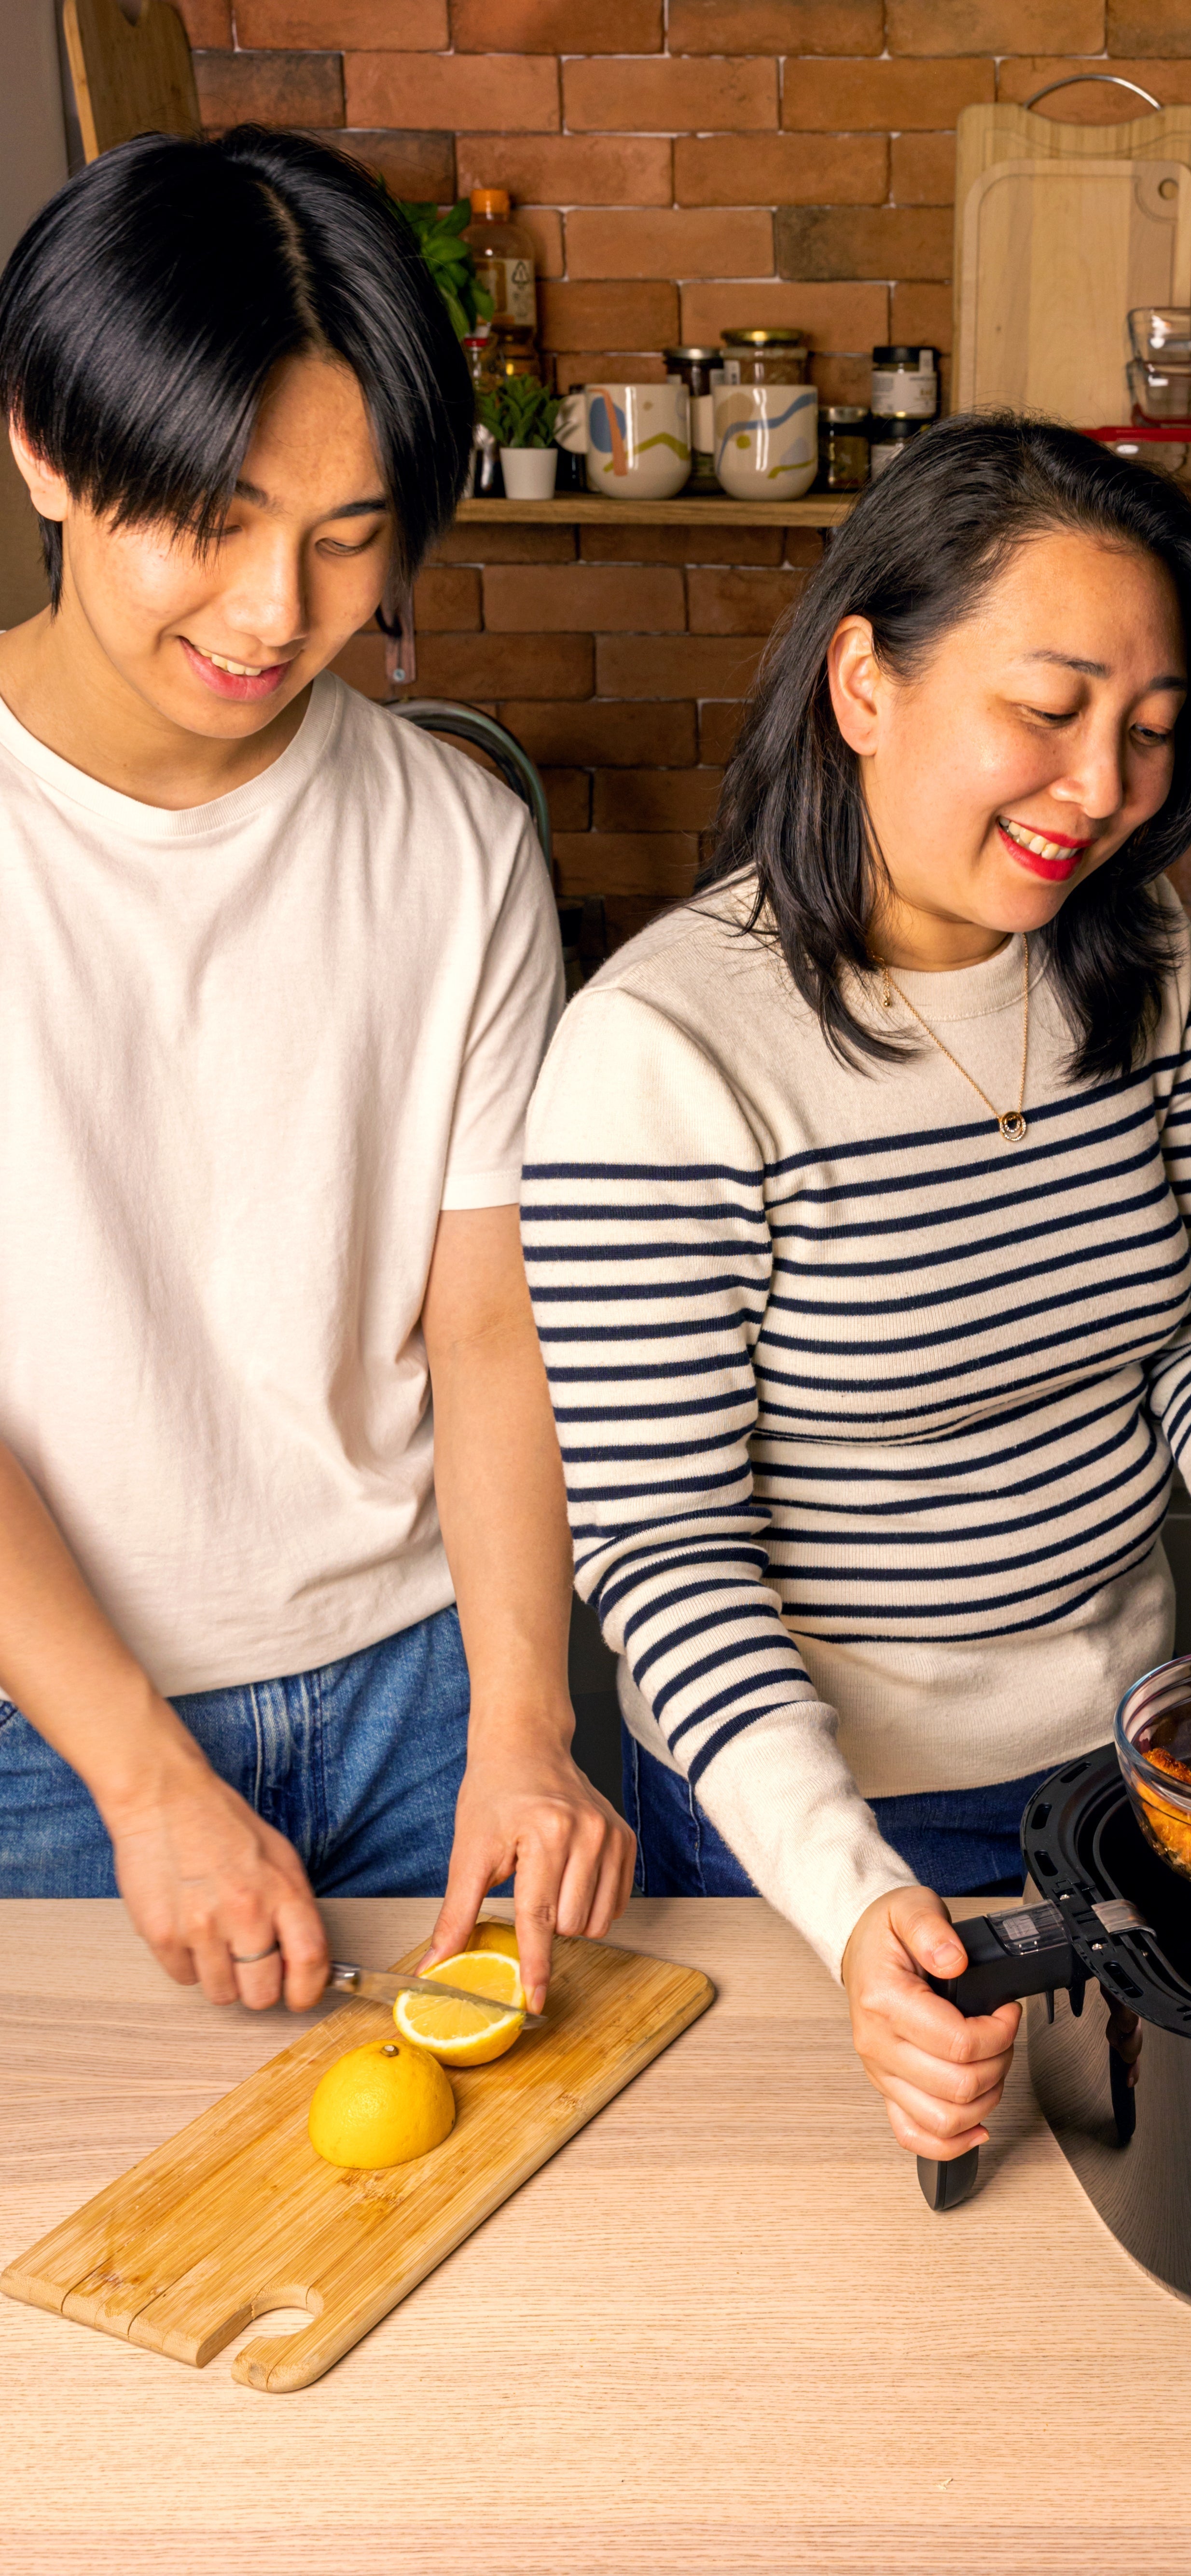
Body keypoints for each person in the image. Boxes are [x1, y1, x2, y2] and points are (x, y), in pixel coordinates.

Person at [522, 413, 1191, 2163]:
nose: (1103, 789)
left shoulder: (1144, 955)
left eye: (1150, 730)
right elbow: (663, 1550)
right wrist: (851, 1900)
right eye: (1049, 710)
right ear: (865, 683)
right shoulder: (663, 1053)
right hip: (814, 1829)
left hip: (1134, 1774)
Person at [0, 127, 631, 2021]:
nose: (278, 610)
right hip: (46, 1722)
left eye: (348, 535)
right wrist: (140, 1775)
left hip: (426, 1690)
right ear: (44, 444)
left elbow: (489, 1323)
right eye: (212, 517)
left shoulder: (455, 836)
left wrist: (525, 1724)